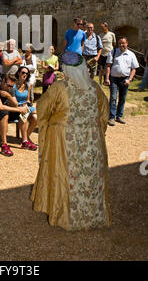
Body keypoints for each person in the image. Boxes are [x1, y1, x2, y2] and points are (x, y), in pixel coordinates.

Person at [30, 51, 111, 231]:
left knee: (66, 175)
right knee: (90, 177)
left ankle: (66, 215)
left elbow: (43, 107)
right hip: (92, 143)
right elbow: (104, 114)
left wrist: (50, 125)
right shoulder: (94, 88)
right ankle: (93, 214)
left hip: (64, 141)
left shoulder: (59, 88)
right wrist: (97, 131)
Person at [0, 73, 27, 157]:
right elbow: (0, 107)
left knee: (23, 113)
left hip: (0, 112)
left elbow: (15, 104)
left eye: (11, 86)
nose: (9, 88)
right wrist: (18, 109)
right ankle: (4, 144)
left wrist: (9, 97)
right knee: (5, 113)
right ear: (3, 81)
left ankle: (24, 141)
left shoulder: (11, 89)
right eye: (8, 85)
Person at [105, 36, 139, 126]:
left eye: (123, 43)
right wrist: (107, 78)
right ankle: (111, 117)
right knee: (113, 98)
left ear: (127, 43)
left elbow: (134, 69)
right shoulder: (113, 52)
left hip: (125, 79)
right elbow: (108, 66)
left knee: (122, 98)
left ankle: (119, 116)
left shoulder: (131, 54)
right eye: (120, 43)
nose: (121, 45)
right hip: (114, 79)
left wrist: (129, 79)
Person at [14, 66, 38, 149]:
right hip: (16, 106)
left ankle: (25, 137)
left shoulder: (28, 85)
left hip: (25, 106)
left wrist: (26, 103)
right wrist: (21, 105)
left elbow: (27, 99)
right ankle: (25, 140)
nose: (25, 75)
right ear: (18, 73)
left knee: (36, 117)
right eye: (23, 72)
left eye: (27, 73)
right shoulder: (13, 85)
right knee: (27, 113)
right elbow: (12, 100)